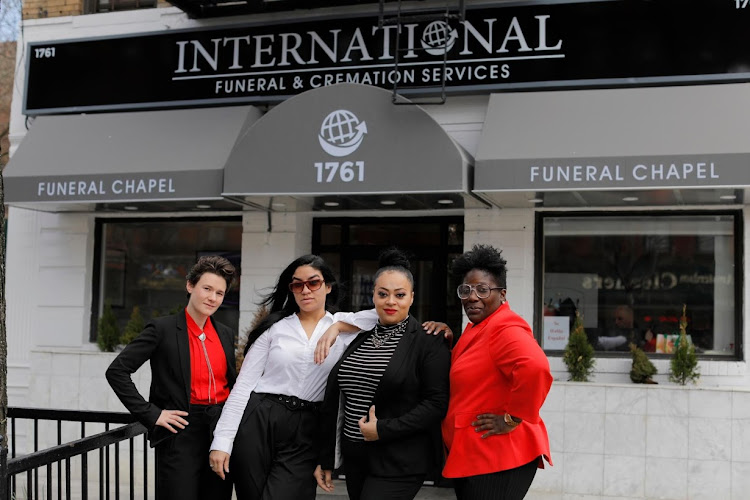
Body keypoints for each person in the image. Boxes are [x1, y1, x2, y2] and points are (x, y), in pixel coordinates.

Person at [208, 254, 379, 500]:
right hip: (259, 420)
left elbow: (383, 314)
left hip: (306, 428)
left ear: (328, 286)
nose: (305, 290)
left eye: (314, 282)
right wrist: (222, 442)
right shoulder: (275, 328)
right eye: (297, 284)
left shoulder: (343, 327)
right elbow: (243, 386)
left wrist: (338, 326)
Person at [315, 248, 451, 500]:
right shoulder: (357, 336)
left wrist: (384, 429)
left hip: (399, 459)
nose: (391, 302)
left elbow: (436, 403)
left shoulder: (429, 341)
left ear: (411, 297)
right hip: (355, 457)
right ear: (373, 295)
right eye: (383, 294)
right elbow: (336, 401)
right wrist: (326, 457)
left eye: (399, 295)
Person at [106, 255, 237, 500]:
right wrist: (151, 413)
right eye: (207, 288)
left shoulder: (226, 334)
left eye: (219, 293)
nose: (212, 298)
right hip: (180, 432)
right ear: (190, 285)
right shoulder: (161, 329)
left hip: (219, 432)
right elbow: (117, 371)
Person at [443, 244, 552, 500]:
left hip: (498, 456)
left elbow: (536, 368)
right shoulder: (478, 327)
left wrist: (512, 418)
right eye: (465, 290)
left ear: (502, 294)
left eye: (483, 289)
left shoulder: (505, 327)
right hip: (479, 454)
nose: (472, 297)